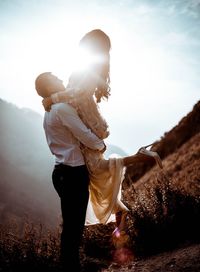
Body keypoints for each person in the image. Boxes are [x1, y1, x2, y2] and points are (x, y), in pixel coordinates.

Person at [42, 29, 163, 234]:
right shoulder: (92, 67)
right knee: (97, 173)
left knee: (97, 171)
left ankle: (134, 168)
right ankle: (121, 210)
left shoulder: (87, 70)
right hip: (90, 123)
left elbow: (79, 92)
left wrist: (52, 98)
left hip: (88, 125)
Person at [35, 73, 105, 272]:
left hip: (63, 172)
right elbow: (84, 134)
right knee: (72, 231)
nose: (59, 77)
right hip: (72, 173)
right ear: (49, 87)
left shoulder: (50, 110)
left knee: (72, 229)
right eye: (54, 78)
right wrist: (100, 145)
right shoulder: (62, 109)